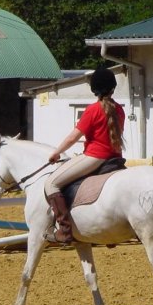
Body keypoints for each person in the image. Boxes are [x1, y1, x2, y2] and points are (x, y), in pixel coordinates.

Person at [44, 67, 125, 243]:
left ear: (94, 89)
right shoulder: (119, 109)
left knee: (51, 184)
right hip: (115, 158)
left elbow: (74, 137)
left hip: (95, 157)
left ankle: (65, 230)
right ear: (112, 87)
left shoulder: (93, 110)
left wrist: (56, 153)